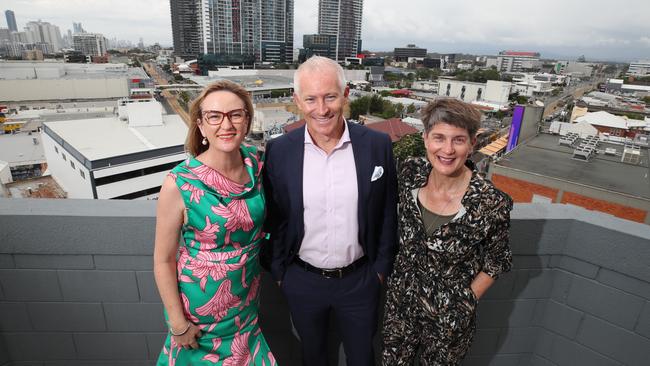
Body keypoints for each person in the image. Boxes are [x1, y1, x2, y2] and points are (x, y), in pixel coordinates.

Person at [263, 56, 398, 366]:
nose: (321, 109)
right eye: (310, 98)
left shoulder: (377, 145)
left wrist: (379, 270)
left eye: (330, 96)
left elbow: (388, 211)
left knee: (363, 357)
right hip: (302, 279)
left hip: (361, 280)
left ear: (345, 94)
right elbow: (275, 215)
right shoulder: (280, 150)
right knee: (313, 357)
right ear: (297, 100)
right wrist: (281, 272)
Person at [381, 98, 513, 365]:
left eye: (459, 140)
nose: (448, 150)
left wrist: (463, 303)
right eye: (439, 138)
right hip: (400, 308)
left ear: (472, 143)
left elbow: (497, 261)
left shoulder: (491, 202)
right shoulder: (410, 172)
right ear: (426, 138)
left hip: (449, 321)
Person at [154, 80, 276, 365]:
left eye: (235, 114)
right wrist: (178, 324)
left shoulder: (257, 165)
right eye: (214, 116)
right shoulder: (179, 183)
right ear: (200, 124)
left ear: (247, 120)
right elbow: (163, 260)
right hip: (200, 319)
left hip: (246, 308)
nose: (227, 124)